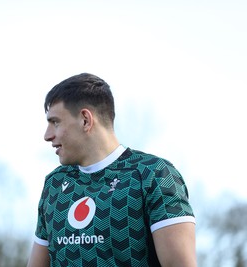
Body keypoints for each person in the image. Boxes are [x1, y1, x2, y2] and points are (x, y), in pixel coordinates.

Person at [27, 73, 196, 267]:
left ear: (85, 120)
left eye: (55, 122)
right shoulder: (55, 184)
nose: (47, 135)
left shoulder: (155, 174)